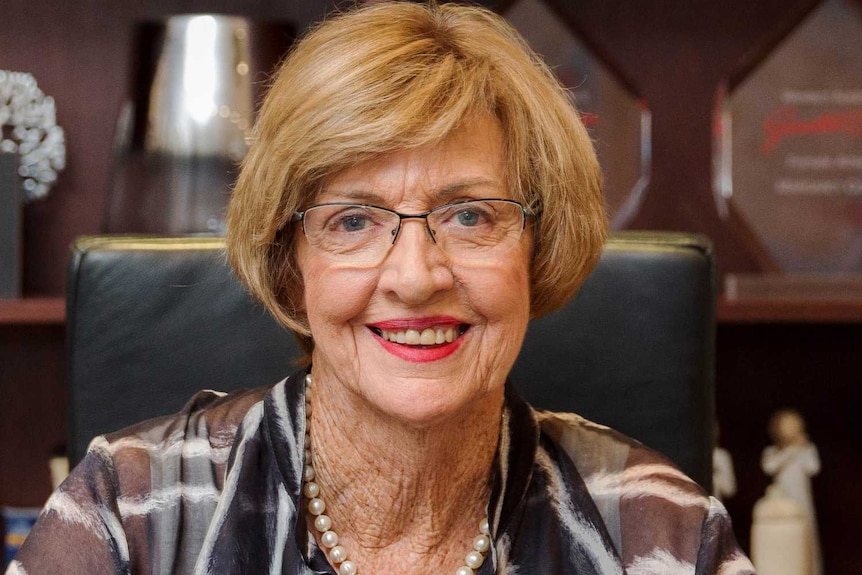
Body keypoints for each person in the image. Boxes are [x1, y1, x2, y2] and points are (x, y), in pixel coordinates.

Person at [8, 3, 754, 574]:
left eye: (469, 215)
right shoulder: (130, 513)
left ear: (537, 243)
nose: (415, 275)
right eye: (355, 219)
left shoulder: (661, 530)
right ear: (290, 260)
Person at [761, 409, 821, 575]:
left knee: (806, 535)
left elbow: (813, 468)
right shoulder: (772, 452)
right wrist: (793, 451)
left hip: (802, 500)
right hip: (782, 502)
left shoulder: (806, 449)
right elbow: (770, 467)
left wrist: (803, 448)